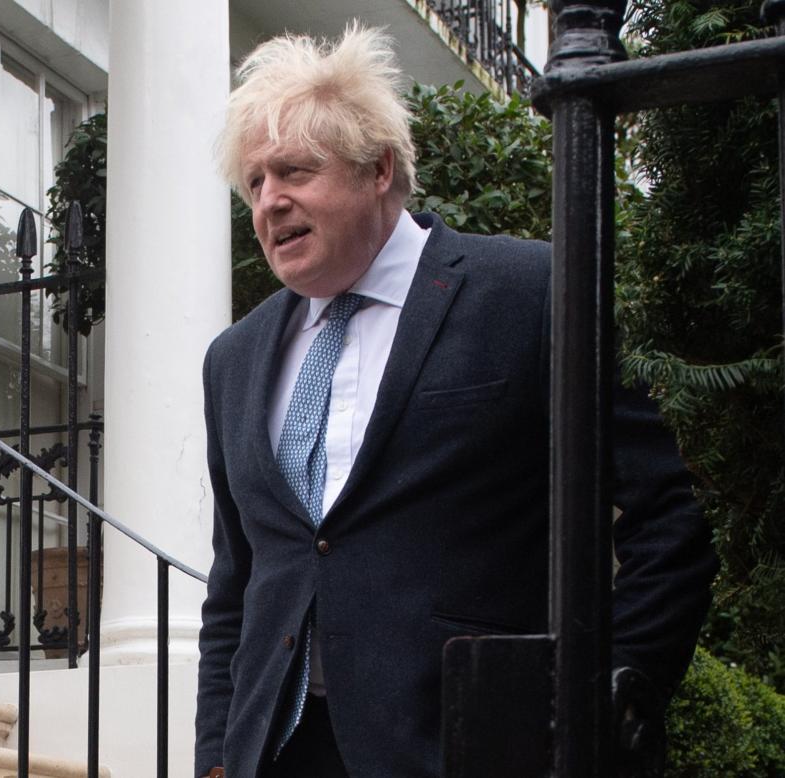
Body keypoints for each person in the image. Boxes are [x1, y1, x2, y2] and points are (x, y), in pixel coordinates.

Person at [194, 23, 718, 778]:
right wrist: (215, 756)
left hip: (466, 745)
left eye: (294, 172)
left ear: (378, 169)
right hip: (274, 752)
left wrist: (609, 692)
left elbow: (670, 518)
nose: (269, 203)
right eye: (253, 183)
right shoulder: (233, 359)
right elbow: (235, 584)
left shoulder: (530, 292)